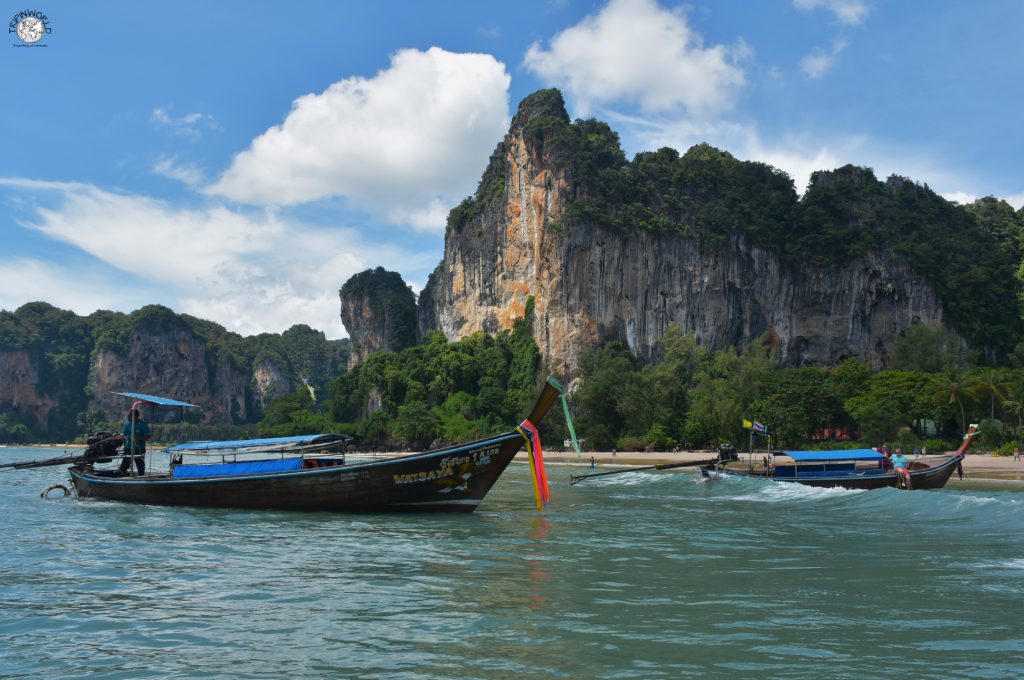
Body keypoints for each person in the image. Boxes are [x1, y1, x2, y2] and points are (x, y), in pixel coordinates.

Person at [119, 409, 151, 475]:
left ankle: (141, 478)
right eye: (128, 415)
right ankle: (121, 476)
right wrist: (120, 436)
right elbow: (123, 434)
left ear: (135, 416)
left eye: (130, 416)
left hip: (139, 448)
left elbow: (148, 436)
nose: (128, 417)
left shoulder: (142, 425)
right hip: (128, 447)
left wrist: (139, 438)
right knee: (124, 464)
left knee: (140, 465)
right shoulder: (127, 424)